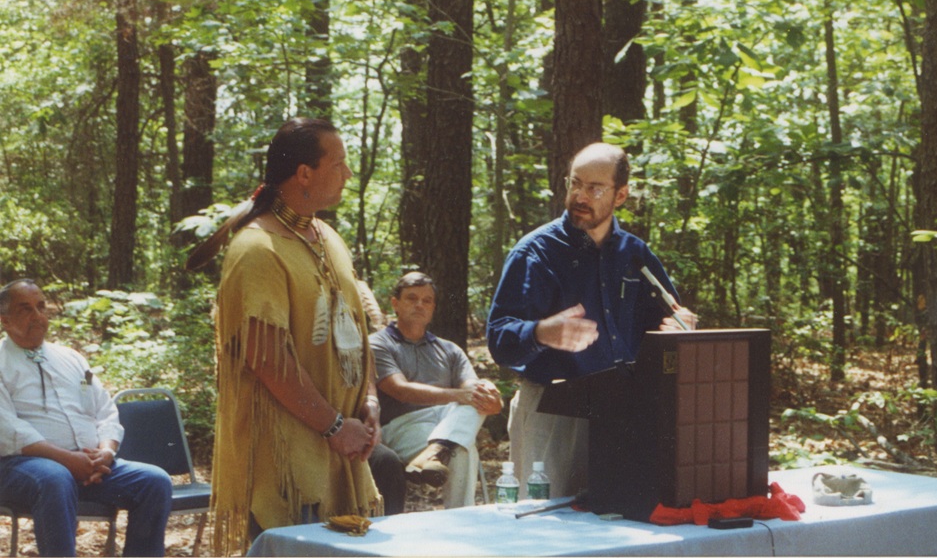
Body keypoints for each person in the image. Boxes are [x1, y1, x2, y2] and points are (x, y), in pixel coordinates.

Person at [193, 118, 384, 555]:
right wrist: (335, 425)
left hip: (340, 447)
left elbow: (356, 328)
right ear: (304, 173)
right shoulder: (257, 250)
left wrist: (369, 400)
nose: (349, 174)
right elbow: (266, 358)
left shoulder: (327, 237)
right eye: (339, 164)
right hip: (285, 459)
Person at [487, 142, 696, 498]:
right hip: (551, 412)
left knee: (617, 526)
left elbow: (670, 322)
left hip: (622, 410)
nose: (580, 196)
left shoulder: (635, 255)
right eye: (575, 184)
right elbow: (498, 340)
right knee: (544, 529)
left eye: (595, 188)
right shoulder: (534, 252)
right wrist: (540, 332)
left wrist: (682, 328)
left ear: (621, 195)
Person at [0, 279, 173, 557]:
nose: (38, 316)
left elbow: (104, 409)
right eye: (25, 309)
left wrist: (106, 451)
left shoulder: (73, 359)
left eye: (41, 307)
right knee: (55, 478)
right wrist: (67, 460)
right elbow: (7, 429)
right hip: (18, 468)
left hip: (88, 465)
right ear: (5, 320)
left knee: (155, 481)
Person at [371, 272, 502, 509]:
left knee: (483, 391)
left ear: (433, 307)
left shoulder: (449, 349)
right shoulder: (378, 344)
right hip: (403, 424)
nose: (420, 305)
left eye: (427, 300)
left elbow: (472, 389)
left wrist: (490, 397)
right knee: (462, 448)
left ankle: (437, 449)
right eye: (412, 298)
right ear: (395, 304)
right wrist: (461, 396)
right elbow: (401, 390)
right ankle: (462, 520)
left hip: (447, 420)